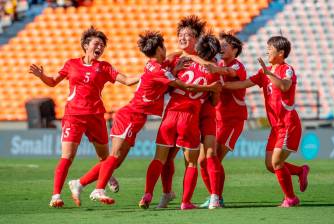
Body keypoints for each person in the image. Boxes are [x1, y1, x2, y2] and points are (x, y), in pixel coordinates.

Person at [69, 30, 220, 206]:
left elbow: (167, 73)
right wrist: (210, 86)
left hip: (146, 117)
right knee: (115, 156)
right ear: (158, 50)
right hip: (132, 115)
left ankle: (80, 183)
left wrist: (182, 62)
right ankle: (99, 188)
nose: (166, 50)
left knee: (121, 160)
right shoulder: (161, 70)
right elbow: (183, 85)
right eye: (163, 47)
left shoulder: (156, 66)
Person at [29, 26, 140, 207]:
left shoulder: (104, 67)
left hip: (96, 116)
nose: (100, 47)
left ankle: (106, 176)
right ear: (86, 45)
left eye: (102, 45)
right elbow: (52, 82)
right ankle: (56, 195)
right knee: (67, 156)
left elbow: (127, 80)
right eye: (97, 44)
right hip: (74, 116)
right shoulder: (71, 64)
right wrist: (42, 76)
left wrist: (147, 75)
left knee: (106, 158)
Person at [224, 36, 310, 207]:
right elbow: (244, 84)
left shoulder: (287, 69)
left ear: (281, 53)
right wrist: (221, 86)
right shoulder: (264, 72)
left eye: (270, 48)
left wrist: (269, 73)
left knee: (277, 162)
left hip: (288, 125)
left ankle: (291, 199)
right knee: (271, 165)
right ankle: (301, 171)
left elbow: (285, 86)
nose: (267, 51)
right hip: (276, 128)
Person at [138, 32, 221, 210]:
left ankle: (148, 193)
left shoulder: (177, 62)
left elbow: (167, 86)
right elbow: (214, 101)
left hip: (170, 114)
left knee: (160, 159)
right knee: (191, 162)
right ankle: (185, 202)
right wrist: (214, 89)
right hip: (190, 117)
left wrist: (175, 68)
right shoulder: (213, 69)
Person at [197, 32, 247, 208]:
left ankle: (216, 197)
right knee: (202, 161)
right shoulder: (216, 64)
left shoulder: (238, 66)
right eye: (221, 45)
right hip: (216, 119)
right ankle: (214, 195)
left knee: (214, 157)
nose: (222, 48)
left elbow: (229, 72)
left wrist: (216, 70)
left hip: (232, 120)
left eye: (225, 45)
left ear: (235, 49)